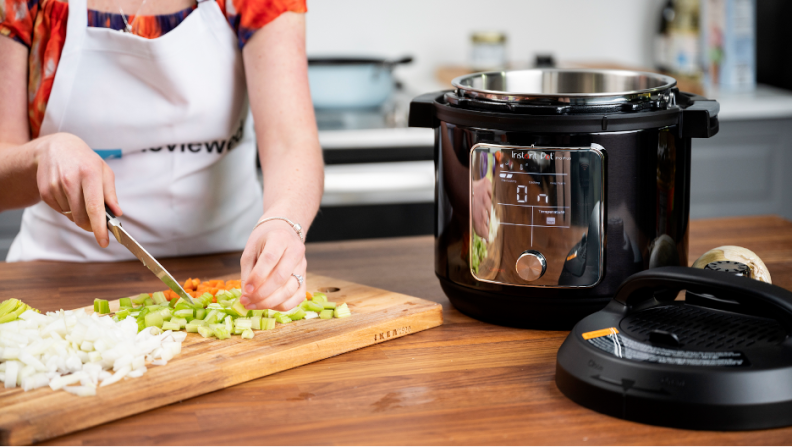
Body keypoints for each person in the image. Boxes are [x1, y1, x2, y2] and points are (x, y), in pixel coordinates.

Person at [0, 0, 324, 312]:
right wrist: (41, 156)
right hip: (59, 277)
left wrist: (283, 221)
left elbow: (291, 140)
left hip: (235, 273)